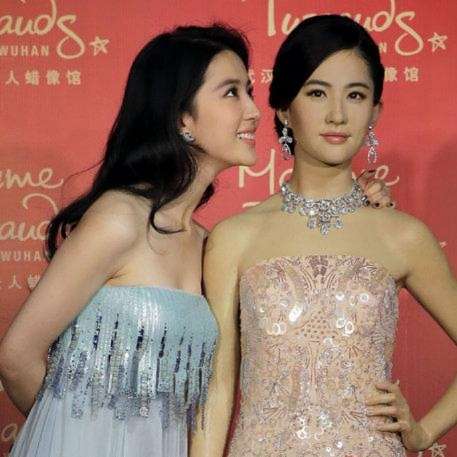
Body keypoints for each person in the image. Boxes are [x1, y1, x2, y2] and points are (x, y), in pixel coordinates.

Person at [0, 22, 390, 457]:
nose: (253, 111)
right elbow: (17, 357)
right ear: (182, 117)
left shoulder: (209, 244)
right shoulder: (119, 219)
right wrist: (80, 436)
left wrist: (357, 210)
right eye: (231, 92)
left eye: (248, 91)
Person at [191, 15, 457, 457]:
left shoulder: (404, 237)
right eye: (317, 93)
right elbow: (217, 389)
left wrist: (422, 433)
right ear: (283, 108)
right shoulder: (234, 238)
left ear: (375, 112)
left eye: (356, 95)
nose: (338, 115)